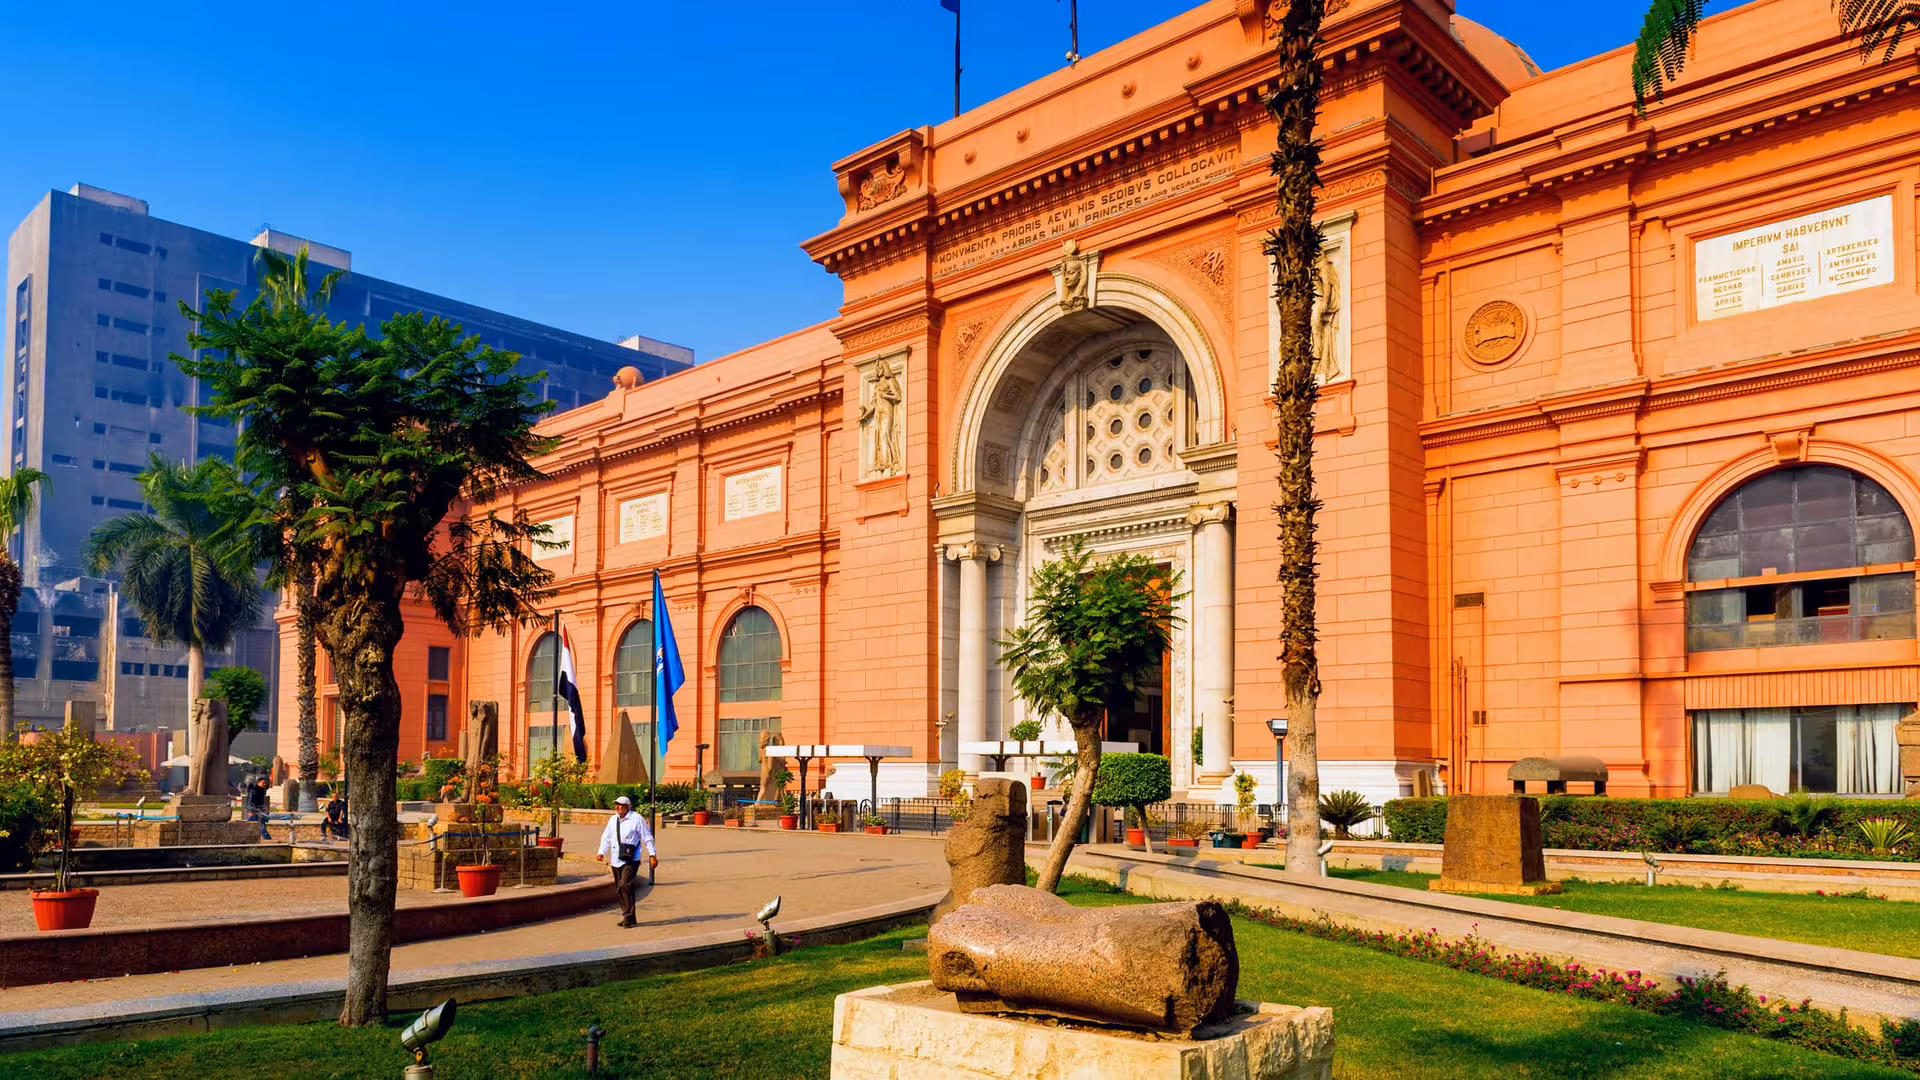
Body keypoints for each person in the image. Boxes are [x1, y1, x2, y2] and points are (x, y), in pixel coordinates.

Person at [595, 795, 657, 928]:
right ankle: (628, 916)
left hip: (631, 859)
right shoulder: (613, 819)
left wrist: (652, 854)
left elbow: (647, 837)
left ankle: (628, 916)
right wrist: (601, 851)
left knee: (625, 885)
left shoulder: (636, 819)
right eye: (616, 804)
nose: (617, 807)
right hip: (616, 858)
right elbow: (606, 837)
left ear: (628, 807)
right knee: (619, 889)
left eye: (620, 805)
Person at [247, 775, 271, 839]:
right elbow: (250, 801)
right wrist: (250, 811)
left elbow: (261, 802)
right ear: (258, 782)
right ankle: (267, 837)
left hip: (259, 811)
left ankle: (266, 837)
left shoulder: (262, 791)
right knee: (259, 824)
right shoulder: (253, 790)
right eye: (263, 782)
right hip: (254, 811)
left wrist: (264, 809)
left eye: (266, 783)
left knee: (258, 824)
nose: (265, 784)